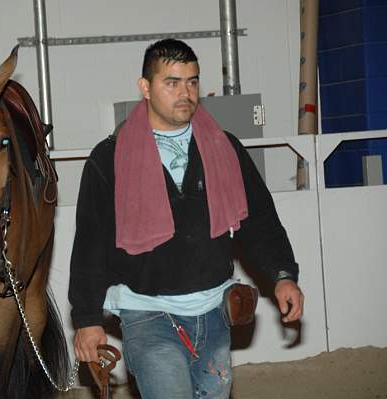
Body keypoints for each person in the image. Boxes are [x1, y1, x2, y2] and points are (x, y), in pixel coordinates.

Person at [68, 38, 304, 398]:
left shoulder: (225, 148)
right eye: (172, 82)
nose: (186, 92)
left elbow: (260, 221)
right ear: (145, 87)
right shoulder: (109, 159)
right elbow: (90, 244)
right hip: (146, 315)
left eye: (192, 81)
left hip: (214, 311)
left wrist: (283, 275)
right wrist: (86, 319)